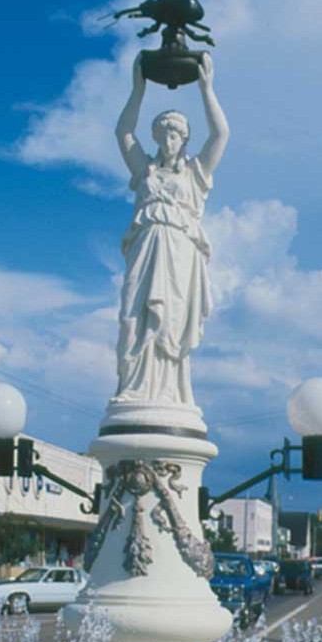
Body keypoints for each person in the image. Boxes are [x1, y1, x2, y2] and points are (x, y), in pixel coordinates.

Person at [113, 51, 229, 407]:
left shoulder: (195, 174)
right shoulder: (144, 171)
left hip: (179, 258)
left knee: (171, 325)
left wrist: (207, 88)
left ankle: (171, 396)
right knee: (134, 318)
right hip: (146, 251)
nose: (169, 139)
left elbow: (221, 134)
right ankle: (132, 390)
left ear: (184, 140)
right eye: (163, 133)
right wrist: (138, 88)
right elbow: (123, 131)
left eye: (176, 134)